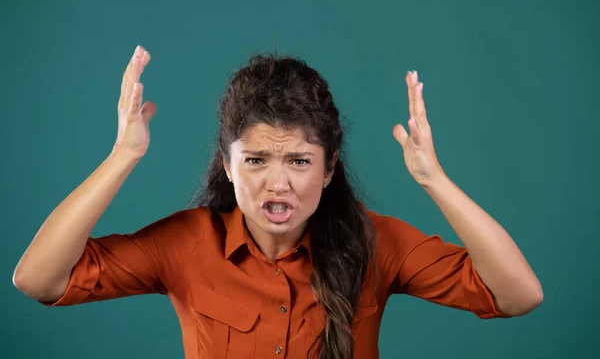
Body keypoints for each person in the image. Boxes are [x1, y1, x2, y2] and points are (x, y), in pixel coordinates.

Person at [13, 45, 543, 359]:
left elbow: (519, 296)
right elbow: (37, 279)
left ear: (330, 168)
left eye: (299, 161)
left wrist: (435, 180)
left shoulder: (376, 243)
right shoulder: (187, 242)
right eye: (256, 161)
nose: (278, 185)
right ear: (226, 163)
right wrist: (122, 157)